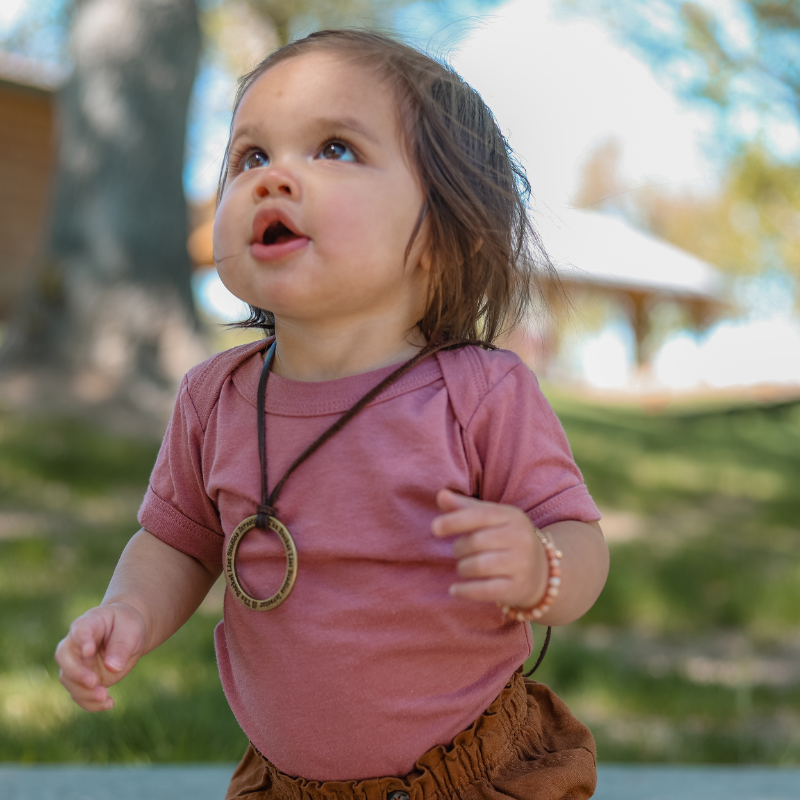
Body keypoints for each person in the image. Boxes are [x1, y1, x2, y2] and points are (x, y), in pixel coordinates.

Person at [56, 29, 609, 800]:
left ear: (440, 236)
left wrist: (540, 566)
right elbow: (178, 543)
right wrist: (129, 611)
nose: (274, 178)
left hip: (467, 775)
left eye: (335, 149)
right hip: (283, 782)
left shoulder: (478, 394)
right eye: (250, 156)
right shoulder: (214, 398)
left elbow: (582, 543)